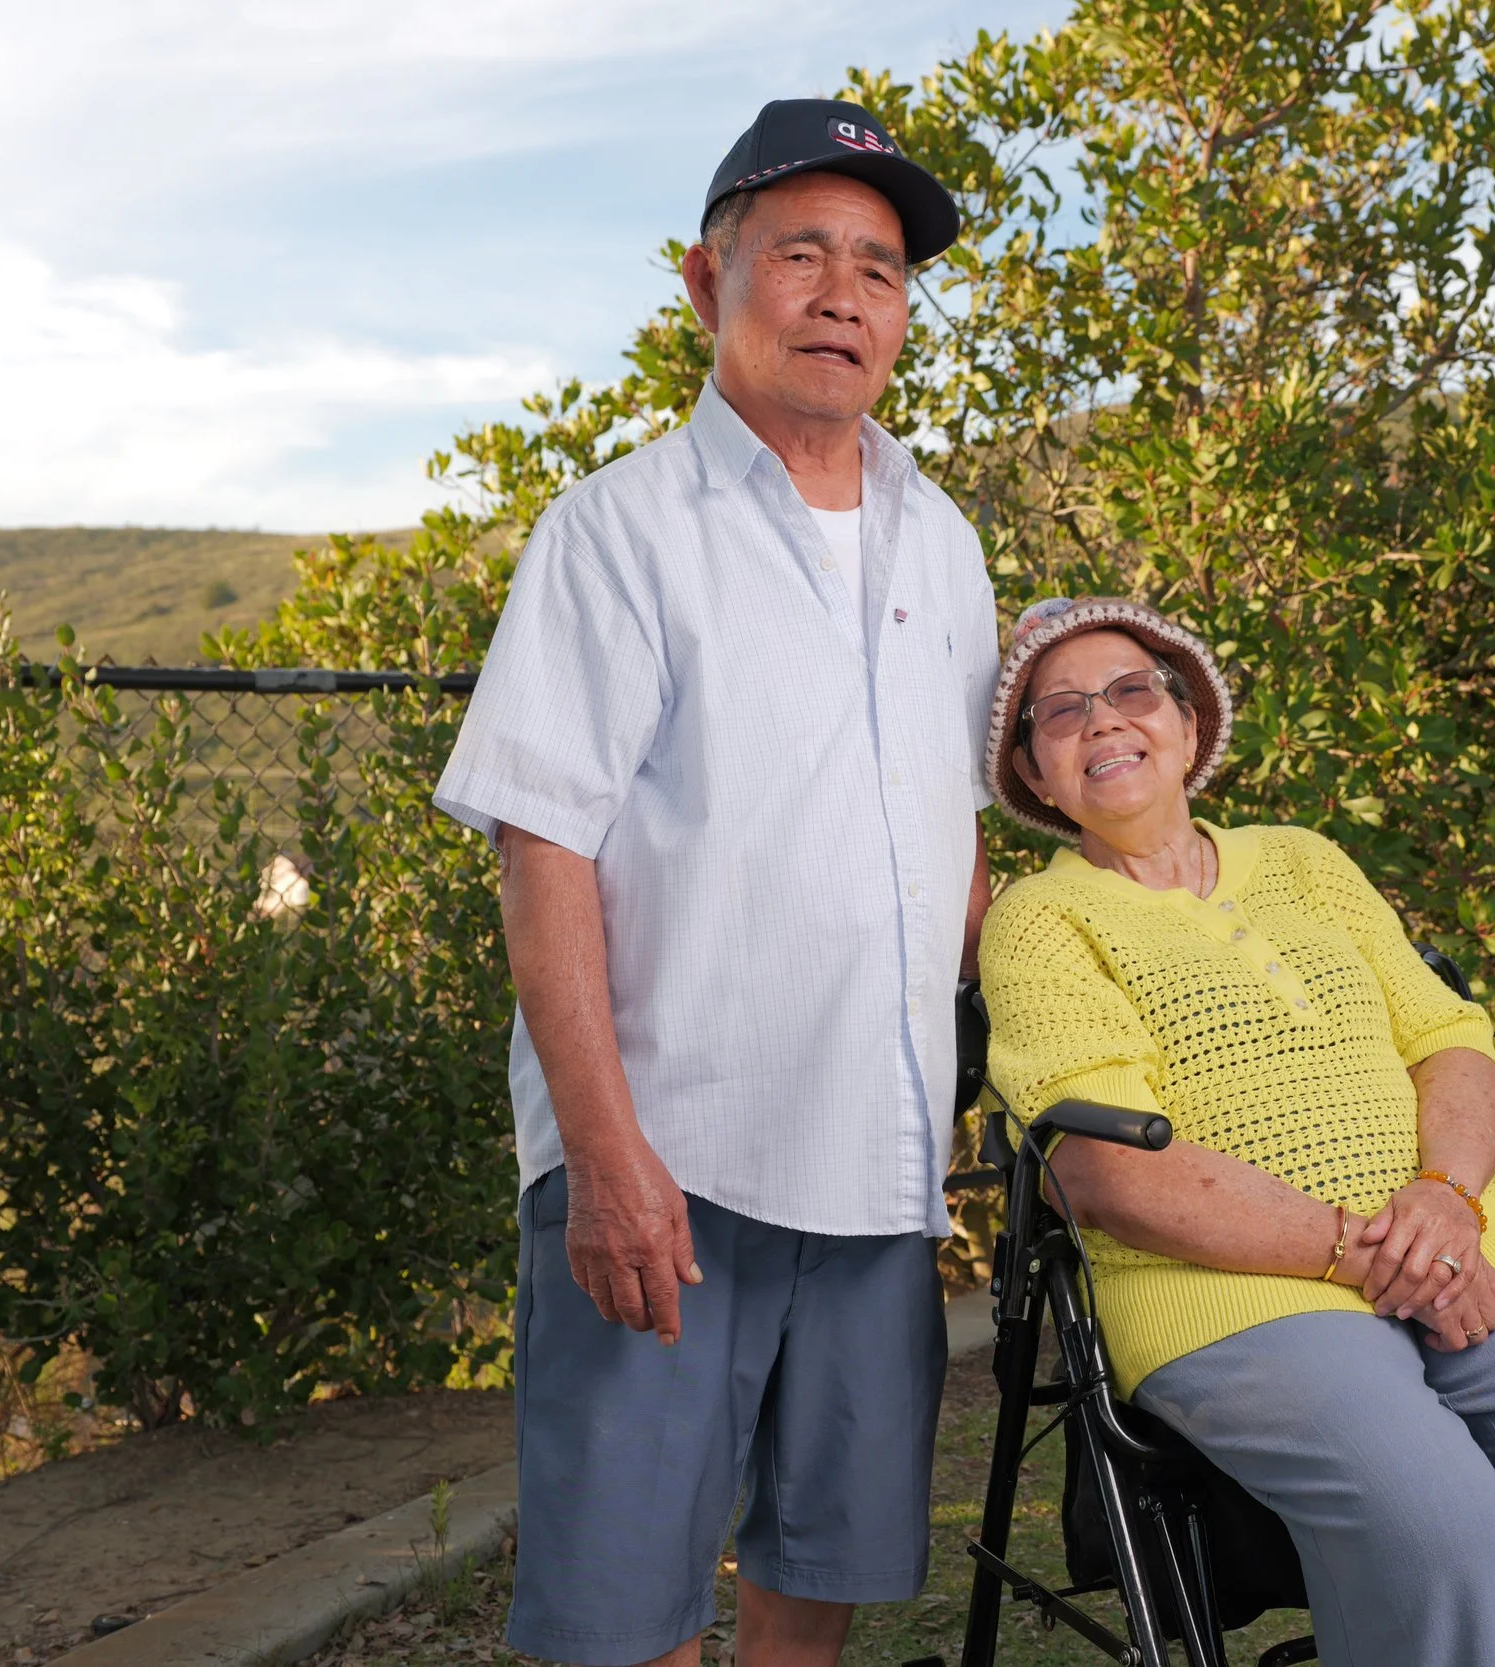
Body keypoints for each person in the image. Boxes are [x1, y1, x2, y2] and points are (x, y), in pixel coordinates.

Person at [432, 99, 996, 1667]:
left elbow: (948, 844)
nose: (842, 295)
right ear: (705, 281)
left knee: (815, 1576)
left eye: (878, 269)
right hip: (668, 1165)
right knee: (624, 1609)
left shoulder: (947, 542)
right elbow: (541, 847)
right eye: (799, 253)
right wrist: (606, 1158)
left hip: (878, 1167)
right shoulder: (613, 533)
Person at [976, 597, 1495, 1667]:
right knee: (1431, 1507)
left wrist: (1446, 1204)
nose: (1103, 721)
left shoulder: (1305, 861)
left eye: (1131, 690)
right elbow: (1104, 1168)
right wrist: (1362, 1249)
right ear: (1035, 775)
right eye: (1061, 711)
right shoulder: (1041, 919)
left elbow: (1450, 1040)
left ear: (1186, 722)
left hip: (1462, 1237)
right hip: (1225, 1285)